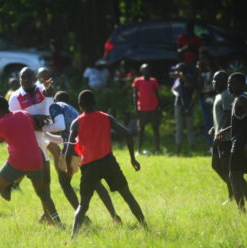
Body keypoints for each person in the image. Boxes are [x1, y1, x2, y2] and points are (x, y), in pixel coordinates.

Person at [0, 96, 63, 233]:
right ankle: (59, 224)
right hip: (36, 160)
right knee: (43, 193)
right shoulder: (23, 114)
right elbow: (33, 123)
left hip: (17, 162)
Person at [66, 90, 147, 238]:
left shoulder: (76, 123)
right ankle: (145, 227)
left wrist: (69, 168)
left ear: (80, 106)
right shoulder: (106, 118)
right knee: (127, 195)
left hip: (89, 167)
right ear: (95, 103)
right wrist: (132, 159)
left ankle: (73, 237)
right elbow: (128, 134)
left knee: (83, 205)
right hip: (108, 162)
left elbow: (69, 149)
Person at [45, 91, 122, 223]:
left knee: (65, 183)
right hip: (84, 150)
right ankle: (114, 215)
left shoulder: (56, 107)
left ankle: (82, 217)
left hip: (72, 150)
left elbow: (61, 128)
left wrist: (43, 128)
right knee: (96, 184)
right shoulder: (73, 110)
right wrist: (46, 135)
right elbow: (65, 137)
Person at [7, 67, 59, 223]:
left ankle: (46, 214)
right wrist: (35, 117)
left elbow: (52, 97)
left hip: (43, 138)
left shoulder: (42, 89)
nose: (26, 81)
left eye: (29, 78)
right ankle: (7, 186)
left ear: (36, 79)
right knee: (40, 182)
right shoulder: (15, 98)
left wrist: (49, 85)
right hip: (29, 142)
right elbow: (16, 122)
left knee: (47, 180)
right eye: (23, 78)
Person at [216, 73, 247, 212]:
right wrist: (226, 130)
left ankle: (242, 210)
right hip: (238, 140)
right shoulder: (237, 100)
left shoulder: (242, 100)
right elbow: (241, 121)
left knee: (233, 175)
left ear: (241, 84)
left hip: (241, 142)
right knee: (238, 176)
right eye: (228, 83)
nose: (229, 86)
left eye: (232, 83)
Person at [209, 71, 234, 204]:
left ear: (225, 81)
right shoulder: (219, 95)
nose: (214, 82)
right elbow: (222, 117)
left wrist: (223, 131)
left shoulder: (226, 95)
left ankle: (233, 194)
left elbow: (231, 116)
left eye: (217, 80)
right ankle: (233, 192)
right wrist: (215, 127)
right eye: (213, 79)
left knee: (227, 169)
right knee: (216, 165)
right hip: (218, 138)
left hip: (226, 139)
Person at [132, 63, 161, 154]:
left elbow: (157, 94)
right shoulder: (137, 81)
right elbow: (135, 95)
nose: (146, 71)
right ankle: (139, 150)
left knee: (155, 129)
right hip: (142, 109)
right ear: (141, 71)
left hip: (153, 108)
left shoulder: (153, 81)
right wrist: (136, 108)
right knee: (141, 130)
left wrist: (159, 107)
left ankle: (157, 150)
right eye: (144, 69)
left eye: (147, 69)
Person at [172, 63, 196, 153]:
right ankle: (178, 147)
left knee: (190, 127)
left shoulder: (189, 78)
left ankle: (192, 147)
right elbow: (173, 89)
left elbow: (191, 87)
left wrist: (184, 78)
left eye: (178, 70)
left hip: (188, 105)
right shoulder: (177, 80)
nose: (176, 72)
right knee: (179, 127)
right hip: (178, 105)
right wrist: (176, 93)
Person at [196, 54, 216, 148]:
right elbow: (198, 86)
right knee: (207, 122)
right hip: (203, 98)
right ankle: (211, 145)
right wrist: (199, 71)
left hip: (213, 97)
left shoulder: (213, 72)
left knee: (216, 121)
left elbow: (214, 86)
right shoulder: (198, 72)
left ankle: (218, 143)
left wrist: (209, 70)